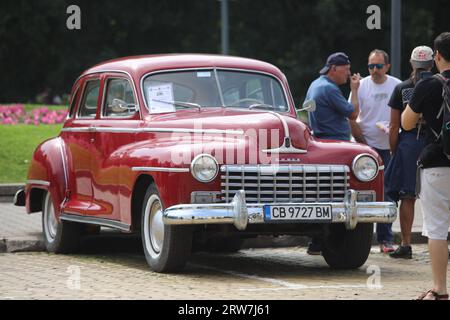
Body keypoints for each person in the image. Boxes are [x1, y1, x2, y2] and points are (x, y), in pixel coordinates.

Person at [402, 32, 450, 300]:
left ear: (438, 56)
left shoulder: (428, 85)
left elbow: (406, 124)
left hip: (437, 163)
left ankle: (440, 289)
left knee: (438, 229)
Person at [304, 52, 361, 254]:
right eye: (346, 70)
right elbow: (353, 113)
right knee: (337, 195)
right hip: (336, 145)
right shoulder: (329, 89)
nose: (348, 75)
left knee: (320, 193)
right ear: (334, 69)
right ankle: (322, 240)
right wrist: (355, 90)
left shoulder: (314, 85)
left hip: (319, 143)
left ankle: (317, 241)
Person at [349, 49, 401, 253]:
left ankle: (385, 239)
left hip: (390, 146)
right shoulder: (360, 86)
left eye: (379, 66)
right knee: (361, 192)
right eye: (371, 66)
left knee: (388, 191)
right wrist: (361, 142)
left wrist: (395, 134)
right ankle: (356, 238)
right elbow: (351, 115)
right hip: (366, 146)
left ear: (387, 66)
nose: (374, 70)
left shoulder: (396, 85)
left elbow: (405, 114)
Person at [386, 46, 433, 259]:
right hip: (436, 141)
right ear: (432, 63)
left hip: (409, 143)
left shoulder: (402, 88)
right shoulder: (442, 85)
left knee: (408, 195)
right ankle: (442, 242)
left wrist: (395, 150)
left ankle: (405, 244)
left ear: (412, 64)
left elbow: (394, 125)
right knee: (441, 195)